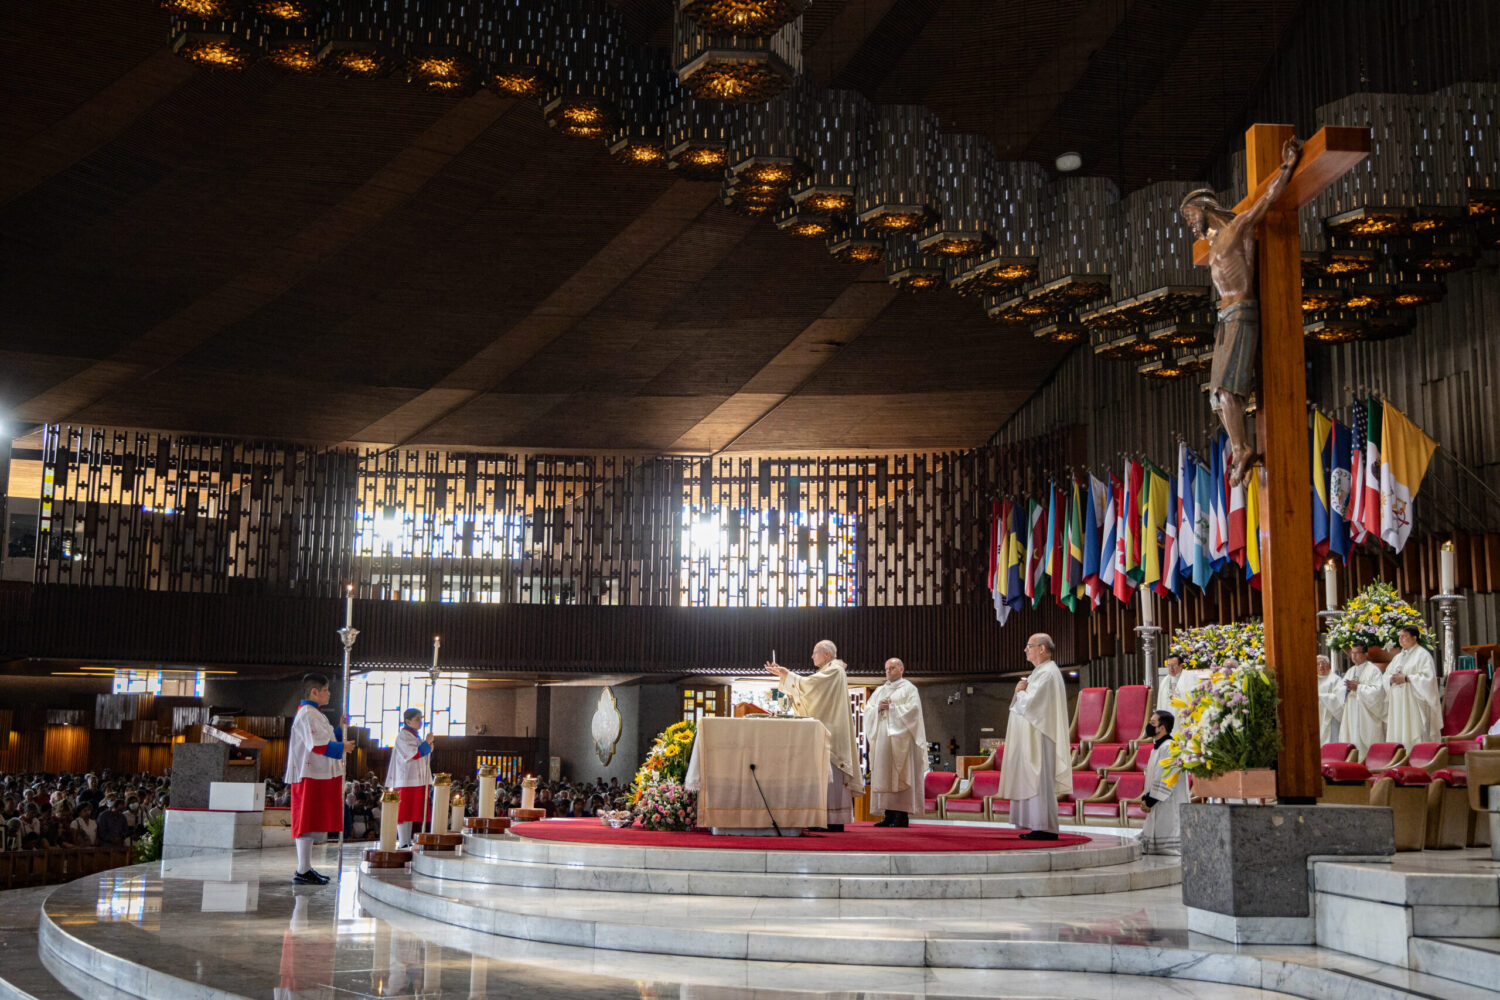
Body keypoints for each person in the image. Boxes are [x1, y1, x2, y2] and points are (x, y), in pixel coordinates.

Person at [1179, 136, 1303, 485]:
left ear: (1204, 207)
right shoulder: (1211, 246)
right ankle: (1241, 447)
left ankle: (1242, 448)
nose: (1190, 224)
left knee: (1225, 390)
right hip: (1225, 319)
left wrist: (1287, 166)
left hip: (1242, 313)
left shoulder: (1237, 228)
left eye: (1190, 216)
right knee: (1216, 397)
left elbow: (1267, 199)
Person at [765, 640, 864, 832]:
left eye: (814, 653)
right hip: (827, 728)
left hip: (832, 732)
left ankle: (832, 820)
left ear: (826, 654)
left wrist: (786, 674)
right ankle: (824, 818)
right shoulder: (829, 671)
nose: (812, 656)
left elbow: (810, 687)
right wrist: (786, 676)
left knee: (832, 775)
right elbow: (811, 688)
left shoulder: (835, 670)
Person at [998, 634, 1071, 840]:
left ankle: (1045, 827)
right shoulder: (1040, 672)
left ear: (1042, 649)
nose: (1025, 650)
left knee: (1038, 780)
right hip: (1033, 736)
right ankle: (1037, 825)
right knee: (1033, 779)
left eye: (1029, 646)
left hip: (1040, 738)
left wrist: (1020, 691)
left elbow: (1030, 705)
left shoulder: (1048, 673)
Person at [284, 673, 344, 885]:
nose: (329, 693)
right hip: (307, 773)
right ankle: (302, 869)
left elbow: (324, 738)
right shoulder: (308, 713)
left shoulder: (316, 714)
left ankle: (306, 867)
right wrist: (343, 747)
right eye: (326, 689)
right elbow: (317, 745)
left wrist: (338, 730)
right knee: (305, 820)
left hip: (315, 772)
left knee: (311, 821)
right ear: (314, 692)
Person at [862, 657, 928, 828]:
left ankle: (901, 815)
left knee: (900, 775)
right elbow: (867, 711)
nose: (888, 671)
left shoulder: (909, 689)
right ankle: (888, 814)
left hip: (901, 742)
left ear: (901, 669)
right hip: (883, 740)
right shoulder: (879, 691)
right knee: (884, 775)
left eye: (892, 668)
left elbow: (913, 712)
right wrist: (877, 708)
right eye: (886, 669)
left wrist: (891, 708)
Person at [385, 708, 434, 849]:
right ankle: (403, 841)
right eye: (417, 719)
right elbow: (413, 754)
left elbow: (424, 754)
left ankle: (407, 840)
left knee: (412, 810)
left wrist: (428, 746)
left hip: (416, 779)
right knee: (404, 810)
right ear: (408, 721)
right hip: (406, 780)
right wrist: (427, 743)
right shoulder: (403, 736)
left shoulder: (414, 736)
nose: (420, 721)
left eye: (421, 718)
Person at [1138, 711, 1187, 855]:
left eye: (1153, 723)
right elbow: (1153, 776)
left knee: (1167, 848)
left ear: (1162, 728)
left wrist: (1150, 800)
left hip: (1168, 803)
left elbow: (1165, 778)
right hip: (1158, 801)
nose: (1149, 726)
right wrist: (1146, 797)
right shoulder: (1158, 747)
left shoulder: (1169, 747)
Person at [1384, 626, 1441, 746]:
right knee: (1399, 732)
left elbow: (1428, 679)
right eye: (1399, 636)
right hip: (1398, 704)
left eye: (1404, 636)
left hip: (1414, 703)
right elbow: (1386, 675)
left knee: (1414, 733)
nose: (1400, 639)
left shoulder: (1423, 655)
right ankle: (1400, 758)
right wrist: (1391, 679)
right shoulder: (1398, 657)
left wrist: (1406, 678)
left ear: (1414, 638)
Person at [1342, 643, 1388, 758]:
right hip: (1352, 711)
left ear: (1366, 654)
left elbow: (1378, 692)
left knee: (1368, 742)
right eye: (1352, 653)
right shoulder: (1350, 671)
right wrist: (1346, 689)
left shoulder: (1373, 670)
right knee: (1352, 738)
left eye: (1357, 653)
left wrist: (1359, 688)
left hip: (1367, 713)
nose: (1354, 656)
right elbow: (1340, 689)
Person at [1316, 655, 1344, 745]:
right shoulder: (1311, 680)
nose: (1321, 666)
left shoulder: (1336, 680)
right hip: (1316, 717)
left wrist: (1321, 697)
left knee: (1332, 742)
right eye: (1318, 664)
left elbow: (1338, 698)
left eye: (1323, 663)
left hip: (1331, 717)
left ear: (1329, 665)